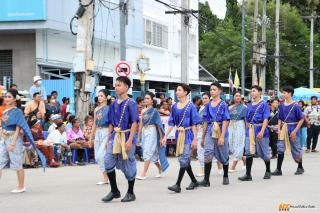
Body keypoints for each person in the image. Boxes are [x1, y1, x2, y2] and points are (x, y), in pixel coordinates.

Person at [0, 89, 46, 193]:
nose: (6, 98)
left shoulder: (18, 111)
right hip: (4, 139)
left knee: (17, 163)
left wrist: (13, 143)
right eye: (6, 96)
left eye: (9, 97)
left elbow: (18, 128)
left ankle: (21, 186)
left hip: (13, 139)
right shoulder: (5, 111)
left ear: (15, 99)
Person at [102, 76, 139, 203]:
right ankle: (114, 190)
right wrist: (108, 139)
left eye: (119, 85)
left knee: (128, 162)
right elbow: (111, 122)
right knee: (107, 160)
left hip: (127, 136)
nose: (116, 87)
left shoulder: (131, 103)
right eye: (116, 85)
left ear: (126, 87)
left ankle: (130, 192)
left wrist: (129, 141)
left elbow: (134, 122)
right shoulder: (113, 104)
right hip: (115, 136)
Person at [161, 83, 200, 193]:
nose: (177, 92)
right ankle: (194, 181)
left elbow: (194, 124)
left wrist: (195, 139)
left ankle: (177, 185)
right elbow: (171, 123)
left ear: (185, 92)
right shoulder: (174, 106)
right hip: (179, 134)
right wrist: (165, 136)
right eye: (177, 90)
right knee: (184, 159)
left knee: (184, 159)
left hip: (188, 134)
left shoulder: (191, 106)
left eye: (179, 90)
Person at [200, 82, 230, 186]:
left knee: (223, 154)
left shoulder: (224, 104)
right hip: (209, 131)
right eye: (211, 89)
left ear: (220, 91)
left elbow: (226, 120)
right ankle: (206, 180)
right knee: (207, 153)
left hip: (221, 131)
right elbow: (205, 122)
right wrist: (203, 137)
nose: (212, 91)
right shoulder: (207, 105)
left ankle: (225, 175)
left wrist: (222, 136)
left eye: (214, 89)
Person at [238, 85, 271, 181]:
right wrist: (247, 130)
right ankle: (248, 174)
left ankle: (268, 171)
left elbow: (266, 118)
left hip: (261, 129)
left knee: (263, 152)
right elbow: (247, 119)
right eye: (251, 91)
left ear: (259, 93)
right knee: (248, 152)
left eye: (254, 91)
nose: (252, 93)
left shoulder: (264, 104)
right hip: (250, 130)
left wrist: (262, 131)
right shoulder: (249, 105)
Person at [272, 86, 305, 176]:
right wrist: (279, 129)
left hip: (293, 128)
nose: (284, 94)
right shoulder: (282, 105)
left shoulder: (296, 106)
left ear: (290, 93)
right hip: (284, 129)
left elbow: (301, 119)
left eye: (285, 93)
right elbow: (279, 118)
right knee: (280, 148)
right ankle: (278, 169)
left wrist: (295, 131)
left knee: (296, 148)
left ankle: (300, 167)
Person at [136, 92, 169, 180]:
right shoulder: (143, 110)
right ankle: (160, 168)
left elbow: (158, 125)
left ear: (152, 101)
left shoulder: (155, 111)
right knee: (153, 155)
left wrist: (162, 138)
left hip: (152, 131)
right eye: (145, 98)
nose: (145, 100)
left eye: (148, 98)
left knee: (147, 151)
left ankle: (143, 173)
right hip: (144, 131)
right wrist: (138, 137)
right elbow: (140, 125)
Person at [88, 90, 111, 185]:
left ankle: (107, 177)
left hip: (106, 131)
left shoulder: (110, 108)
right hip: (98, 132)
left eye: (101, 96)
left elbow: (111, 124)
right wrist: (90, 138)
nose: (99, 97)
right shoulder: (96, 109)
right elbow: (94, 124)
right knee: (97, 157)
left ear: (106, 97)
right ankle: (106, 176)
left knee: (100, 155)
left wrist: (108, 139)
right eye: (99, 96)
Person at [228, 91, 247, 172]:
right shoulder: (229, 107)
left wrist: (246, 130)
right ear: (233, 97)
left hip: (240, 126)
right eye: (236, 96)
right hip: (230, 126)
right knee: (231, 146)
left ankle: (233, 166)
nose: (238, 97)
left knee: (239, 145)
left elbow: (246, 120)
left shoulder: (244, 107)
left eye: (239, 96)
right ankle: (244, 159)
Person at [195, 92, 210, 177]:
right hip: (200, 130)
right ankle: (203, 169)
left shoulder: (210, 108)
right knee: (200, 150)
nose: (204, 100)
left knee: (207, 150)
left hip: (208, 131)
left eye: (206, 98)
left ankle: (221, 165)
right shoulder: (200, 108)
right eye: (203, 98)